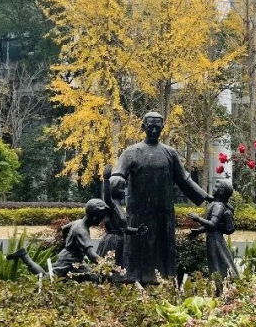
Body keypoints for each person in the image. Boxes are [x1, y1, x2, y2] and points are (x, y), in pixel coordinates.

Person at [111, 112, 212, 283]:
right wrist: (114, 183)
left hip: (163, 213)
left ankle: (164, 280)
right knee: (138, 247)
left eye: (157, 127)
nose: (154, 130)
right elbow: (118, 174)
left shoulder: (170, 153)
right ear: (143, 127)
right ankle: (135, 281)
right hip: (139, 212)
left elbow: (184, 179)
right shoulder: (131, 152)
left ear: (162, 128)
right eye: (150, 127)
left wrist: (207, 197)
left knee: (163, 248)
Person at [8, 199, 108, 281]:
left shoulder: (78, 222)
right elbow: (91, 255)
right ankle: (24, 256)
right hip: (68, 261)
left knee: (90, 277)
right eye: (101, 217)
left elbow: (64, 229)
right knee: (48, 279)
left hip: (71, 258)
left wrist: (68, 244)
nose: (102, 220)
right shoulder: (82, 231)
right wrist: (106, 265)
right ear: (95, 217)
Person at [187, 179, 238, 289]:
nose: (213, 189)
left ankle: (221, 286)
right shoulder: (216, 204)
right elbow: (212, 226)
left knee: (217, 262)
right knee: (219, 260)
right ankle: (223, 284)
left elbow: (213, 224)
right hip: (213, 238)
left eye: (216, 187)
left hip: (215, 240)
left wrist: (198, 219)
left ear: (221, 191)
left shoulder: (218, 206)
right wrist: (199, 231)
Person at [98, 167, 147, 271]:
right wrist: (106, 180)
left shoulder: (119, 206)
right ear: (113, 187)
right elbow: (107, 198)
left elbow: (124, 228)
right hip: (111, 242)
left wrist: (137, 230)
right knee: (108, 269)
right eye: (121, 188)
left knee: (118, 270)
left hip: (119, 241)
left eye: (124, 188)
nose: (124, 191)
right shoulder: (111, 204)